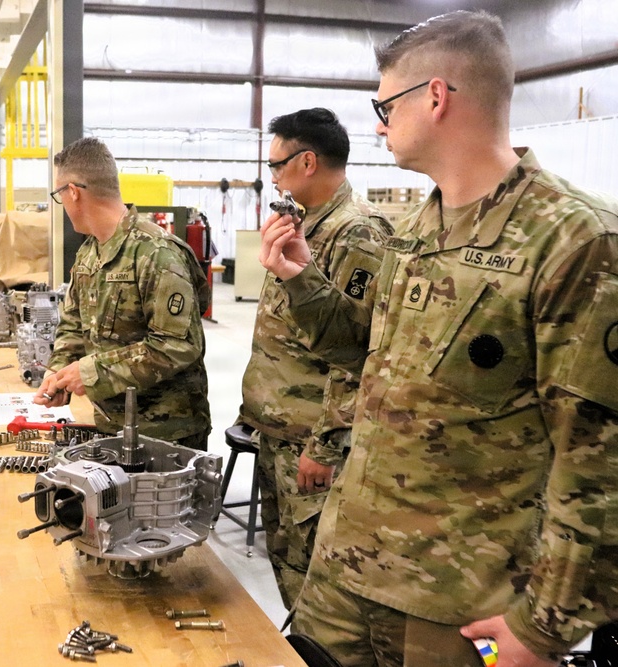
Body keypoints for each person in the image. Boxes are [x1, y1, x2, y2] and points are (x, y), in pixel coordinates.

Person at [261, 11, 618, 667]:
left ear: (434, 96)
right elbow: (362, 353)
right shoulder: (415, 232)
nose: (378, 126)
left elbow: (599, 462)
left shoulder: (575, 241)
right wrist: (302, 280)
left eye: (385, 106)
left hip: (455, 599)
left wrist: (546, 625)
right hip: (346, 573)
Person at [238, 108, 391, 611]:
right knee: (287, 567)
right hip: (278, 432)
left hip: (310, 440)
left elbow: (359, 351)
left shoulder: (357, 233)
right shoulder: (303, 224)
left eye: (276, 165)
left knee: (316, 587)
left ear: (307, 162)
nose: (272, 177)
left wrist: (325, 445)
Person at [35, 137, 211, 449]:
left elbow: (178, 345)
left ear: (72, 192)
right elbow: (73, 324)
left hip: (166, 435)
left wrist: (91, 372)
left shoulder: (156, 253)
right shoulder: (89, 253)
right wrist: (59, 372)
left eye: (58, 195)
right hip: (112, 425)